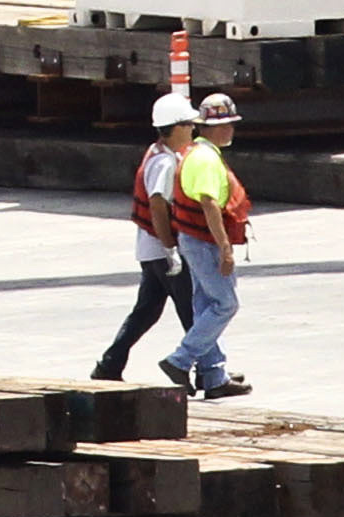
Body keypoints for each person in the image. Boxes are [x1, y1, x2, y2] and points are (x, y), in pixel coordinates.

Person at [93, 89, 254, 396]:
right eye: (189, 124)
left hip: (155, 249)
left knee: (149, 311)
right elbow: (157, 205)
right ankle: (202, 370)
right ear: (176, 127)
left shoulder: (162, 154)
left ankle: (111, 365)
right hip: (164, 251)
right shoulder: (166, 162)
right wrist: (171, 250)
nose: (193, 129)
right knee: (200, 309)